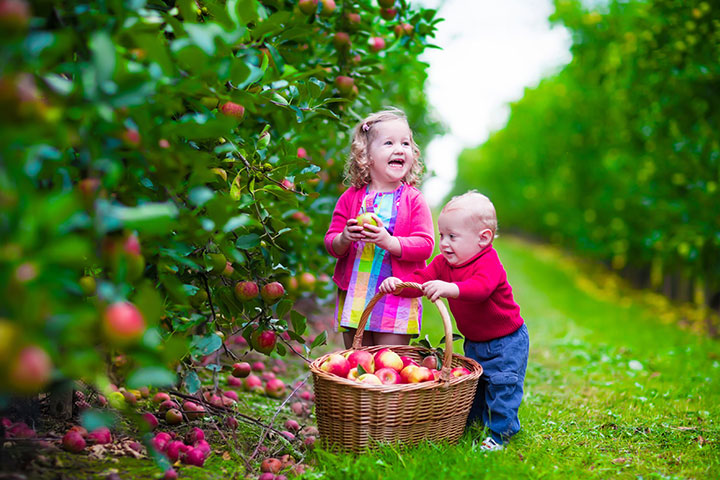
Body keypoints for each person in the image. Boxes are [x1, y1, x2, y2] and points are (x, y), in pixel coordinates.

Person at [379, 191, 529, 451]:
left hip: (507, 341)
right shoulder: (442, 263)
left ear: (483, 239)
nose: (444, 244)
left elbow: (479, 289)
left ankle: (500, 434)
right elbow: (420, 280)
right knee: (477, 387)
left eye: (453, 237)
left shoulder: (488, 261)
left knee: (502, 386)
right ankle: (473, 425)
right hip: (476, 341)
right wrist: (399, 285)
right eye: (442, 236)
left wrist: (449, 288)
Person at [324, 108, 435, 349]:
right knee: (357, 360)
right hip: (356, 292)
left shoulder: (413, 199)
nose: (399, 149)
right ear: (367, 155)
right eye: (389, 143)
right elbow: (331, 242)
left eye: (405, 143)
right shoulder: (351, 198)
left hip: (396, 294)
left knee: (390, 361)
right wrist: (344, 238)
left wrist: (390, 242)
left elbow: (426, 244)